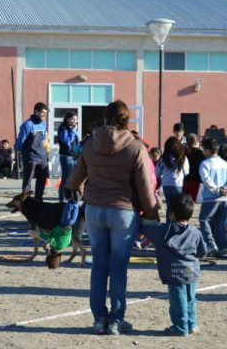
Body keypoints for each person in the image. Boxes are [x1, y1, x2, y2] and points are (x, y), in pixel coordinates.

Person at [65, 100, 159, 336]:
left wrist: (74, 188)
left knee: (99, 266)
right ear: (127, 119)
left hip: (95, 210)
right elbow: (146, 188)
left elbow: (74, 178)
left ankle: (99, 319)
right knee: (118, 268)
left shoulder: (89, 144)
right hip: (124, 212)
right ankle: (116, 320)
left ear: (105, 117)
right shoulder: (136, 147)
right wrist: (152, 216)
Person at [141, 194, 206, 336]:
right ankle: (192, 324)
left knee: (178, 302)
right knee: (190, 299)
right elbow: (202, 252)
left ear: (172, 214)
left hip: (174, 273)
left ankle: (180, 327)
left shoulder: (162, 230)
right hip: (192, 271)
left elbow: (144, 228)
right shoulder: (196, 232)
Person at [198, 138, 227, 256]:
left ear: (208, 151)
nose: (203, 152)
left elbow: (206, 180)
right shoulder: (224, 163)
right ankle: (222, 247)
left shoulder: (205, 163)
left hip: (211, 198)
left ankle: (210, 245)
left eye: (203, 149)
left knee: (204, 220)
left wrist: (217, 190)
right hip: (225, 198)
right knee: (220, 223)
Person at [16, 102, 50, 200]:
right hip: (31, 157)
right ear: (35, 112)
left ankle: (38, 199)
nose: (44, 115)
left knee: (42, 178)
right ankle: (26, 201)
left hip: (42, 157)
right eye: (42, 113)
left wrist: (46, 150)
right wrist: (25, 154)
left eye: (45, 113)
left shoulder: (43, 124)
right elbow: (20, 142)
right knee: (28, 180)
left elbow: (43, 139)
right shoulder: (27, 125)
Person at [156, 136, 189, 221]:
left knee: (169, 207)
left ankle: (168, 226)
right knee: (178, 207)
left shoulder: (163, 158)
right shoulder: (183, 157)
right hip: (178, 185)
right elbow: (186, 172)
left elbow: (157, 173)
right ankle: (176, 226)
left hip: (166, 185)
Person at [57, 112, 80, 202]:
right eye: (73, 119)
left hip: (73, 157)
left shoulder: (71, 129)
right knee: (66, 180)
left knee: (72, 180)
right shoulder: (63, 128)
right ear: (67, 119)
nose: (75, 121)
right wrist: (73, 131)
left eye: (76, 119)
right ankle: (61, 201)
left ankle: (71, 199)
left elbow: (76, 143)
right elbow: (67, 142)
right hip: (66, 157)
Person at [183, 134, 205, 201]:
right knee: (192, 200)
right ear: (197, 142)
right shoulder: (200, 153)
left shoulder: (184, 151)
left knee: (184, 200)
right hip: (195, 179)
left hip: (184, 178)